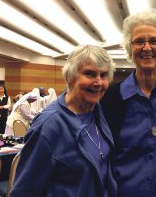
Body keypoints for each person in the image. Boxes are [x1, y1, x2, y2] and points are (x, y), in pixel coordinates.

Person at [100, 9, 156, 197]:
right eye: (139, 41)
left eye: (153, 41)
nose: (147, 47)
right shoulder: (112, 97)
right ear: (129, 48)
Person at [10, 45, 117, 197]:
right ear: (71, 77)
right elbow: (23, 192)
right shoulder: (48, 126)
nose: (99, 82)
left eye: (104, 75)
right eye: (90, 74)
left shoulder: (97, 111)